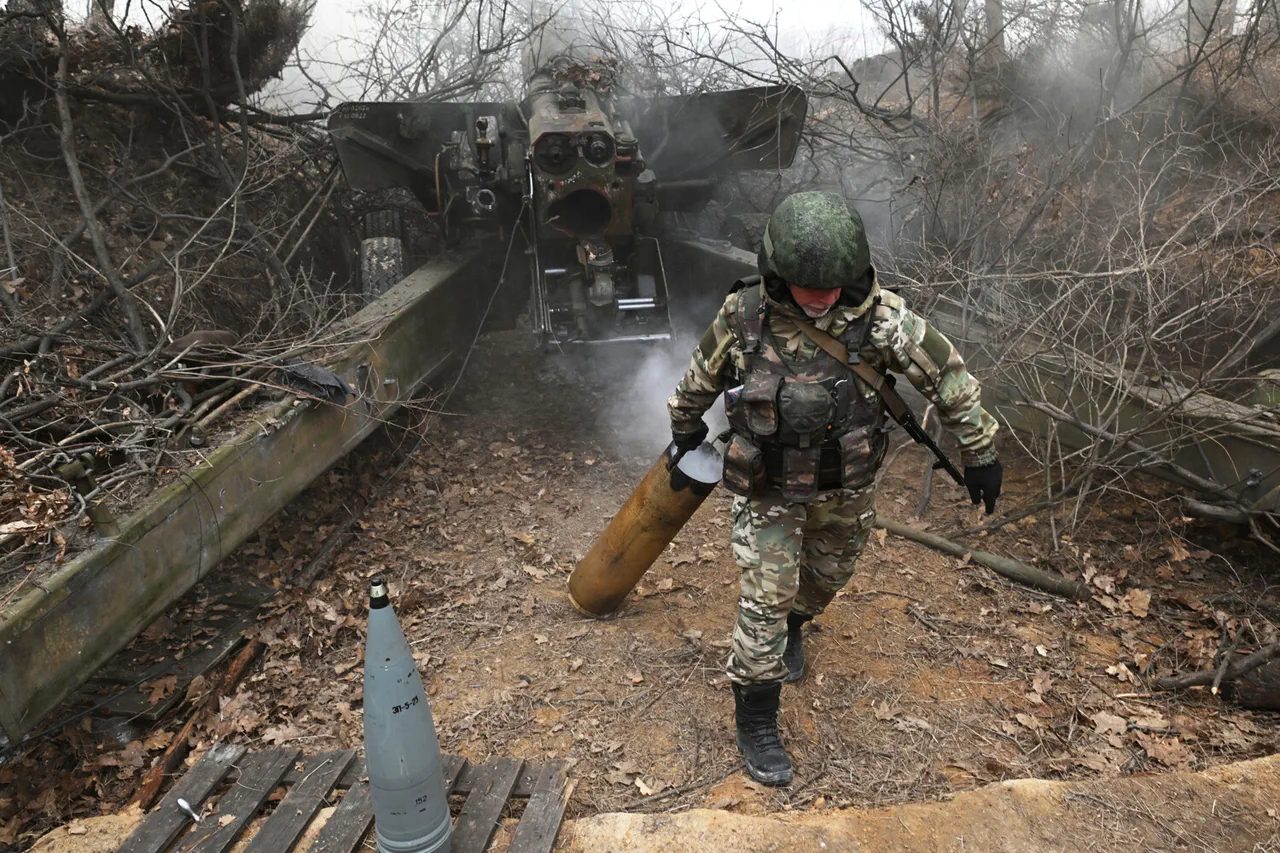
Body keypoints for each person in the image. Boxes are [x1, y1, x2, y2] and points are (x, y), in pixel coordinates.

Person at [667, 190, 1002, 785]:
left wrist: (979, 453)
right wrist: (684, 427)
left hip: (844, 489)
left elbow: (949, 377)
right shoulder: (746, 316)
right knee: (764, 600)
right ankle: (757, 716)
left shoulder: (882, 321)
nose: (819, 297)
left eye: (830, 285)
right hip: (767, 488)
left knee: (827, 578)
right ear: (777, 273)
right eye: (805, 285)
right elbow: (702, 373)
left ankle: (798, 624)